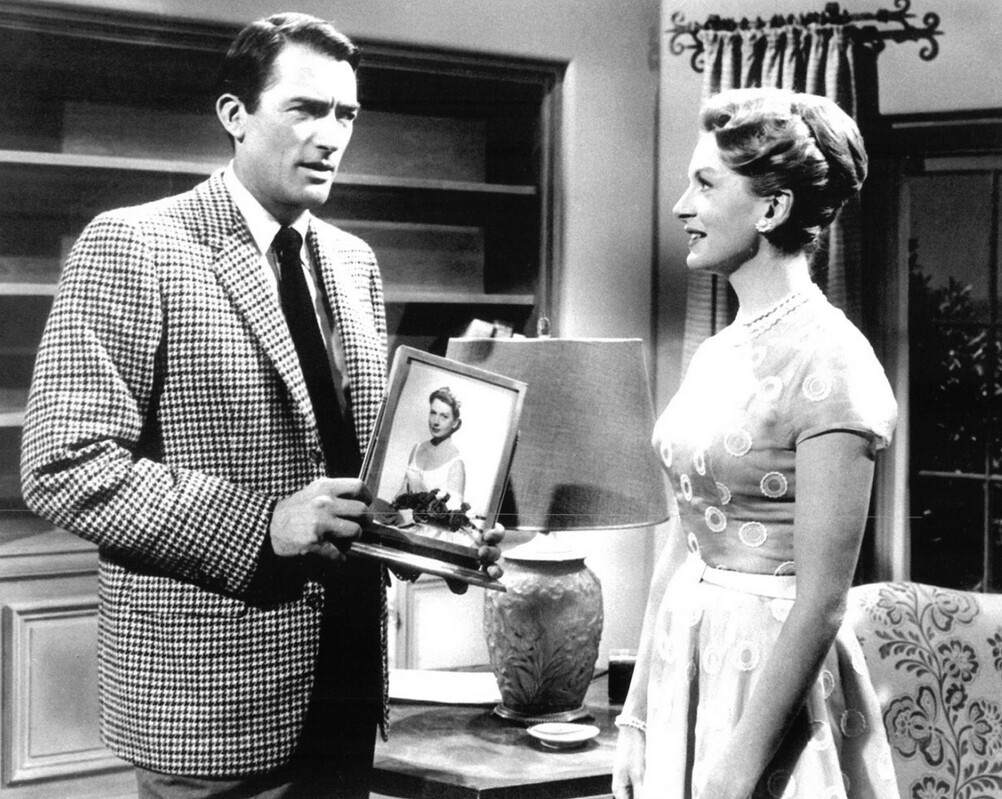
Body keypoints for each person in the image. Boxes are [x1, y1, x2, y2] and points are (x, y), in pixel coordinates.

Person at [20, 12, 501, 799]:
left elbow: (354, 464)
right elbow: (64, 465)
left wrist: (440, 538)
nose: (331, 136)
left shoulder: (353, 261)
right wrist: (265, 524)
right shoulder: (136, 245)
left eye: (346, 114)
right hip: (211, 698)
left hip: (348, 680)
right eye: (305, 109)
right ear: (235, 115)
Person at [612, 87, 900, 799]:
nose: (681, 206)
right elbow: (682, 542)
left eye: (705, 184)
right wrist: (637, 717)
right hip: (687, 656)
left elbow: (823, 600)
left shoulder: (835, 360)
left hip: (768, 686)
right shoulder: (718, 350)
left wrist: (738, 769)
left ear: (772, 208)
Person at [398, 386, 467, 508]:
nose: (436, 422)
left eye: (444, 416)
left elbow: (451, 513)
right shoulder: (417, 449)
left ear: (455, 423)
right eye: (433, 413)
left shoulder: (455, 464)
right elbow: (401, 494)